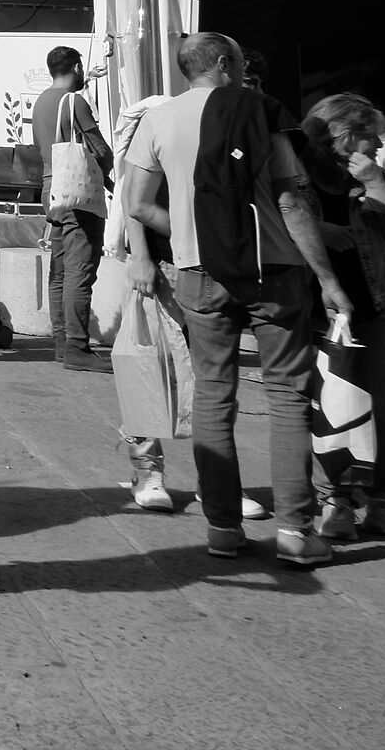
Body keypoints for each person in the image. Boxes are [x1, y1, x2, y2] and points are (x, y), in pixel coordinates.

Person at [117, 31, 355, 566]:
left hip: (200, 272)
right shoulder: (263, 112)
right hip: (274, 272)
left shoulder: (157, 119)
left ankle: (223, 528)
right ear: (224, 63)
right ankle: (296, 531)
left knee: (213, 395)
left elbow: (136, 203)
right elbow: (292, 203)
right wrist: (328, 279)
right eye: (241, 62)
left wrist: (186, 235)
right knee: (289, 397)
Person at [297, 92, 385, 537]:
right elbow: (279, 223)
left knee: (381, 407)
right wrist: (318, 230)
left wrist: (377, 187)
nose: (378, 146)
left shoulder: (374, 176)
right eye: (371, 137)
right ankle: (335, 501)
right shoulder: (300, 176)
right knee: (330, 409)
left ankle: (379, 500)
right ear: (344, 135)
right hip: (319, 311)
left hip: (375, 306)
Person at [32, 46, 114, 372]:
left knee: (60, 270)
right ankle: (78, 346)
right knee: (80, 269)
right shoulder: (74, 101)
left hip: (50, 187)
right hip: (77, 191)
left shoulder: (41, 101)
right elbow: (98, 147)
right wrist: (109, 172)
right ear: (77, 67)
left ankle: (62, 344)